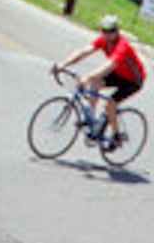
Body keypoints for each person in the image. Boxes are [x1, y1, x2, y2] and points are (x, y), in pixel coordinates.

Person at [53, 15, 145, 147]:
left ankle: (116, 135)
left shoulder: (122, 46)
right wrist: (64, 64)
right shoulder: (103, 40)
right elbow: (84, 51)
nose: (107, 34)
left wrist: (87, 77)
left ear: (117, 31)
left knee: (109, 104)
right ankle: (90, 117)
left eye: (111, 31)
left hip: (133, 80)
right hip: (118, 73)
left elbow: (109, 65)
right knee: (95, 83)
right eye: (104, 31)